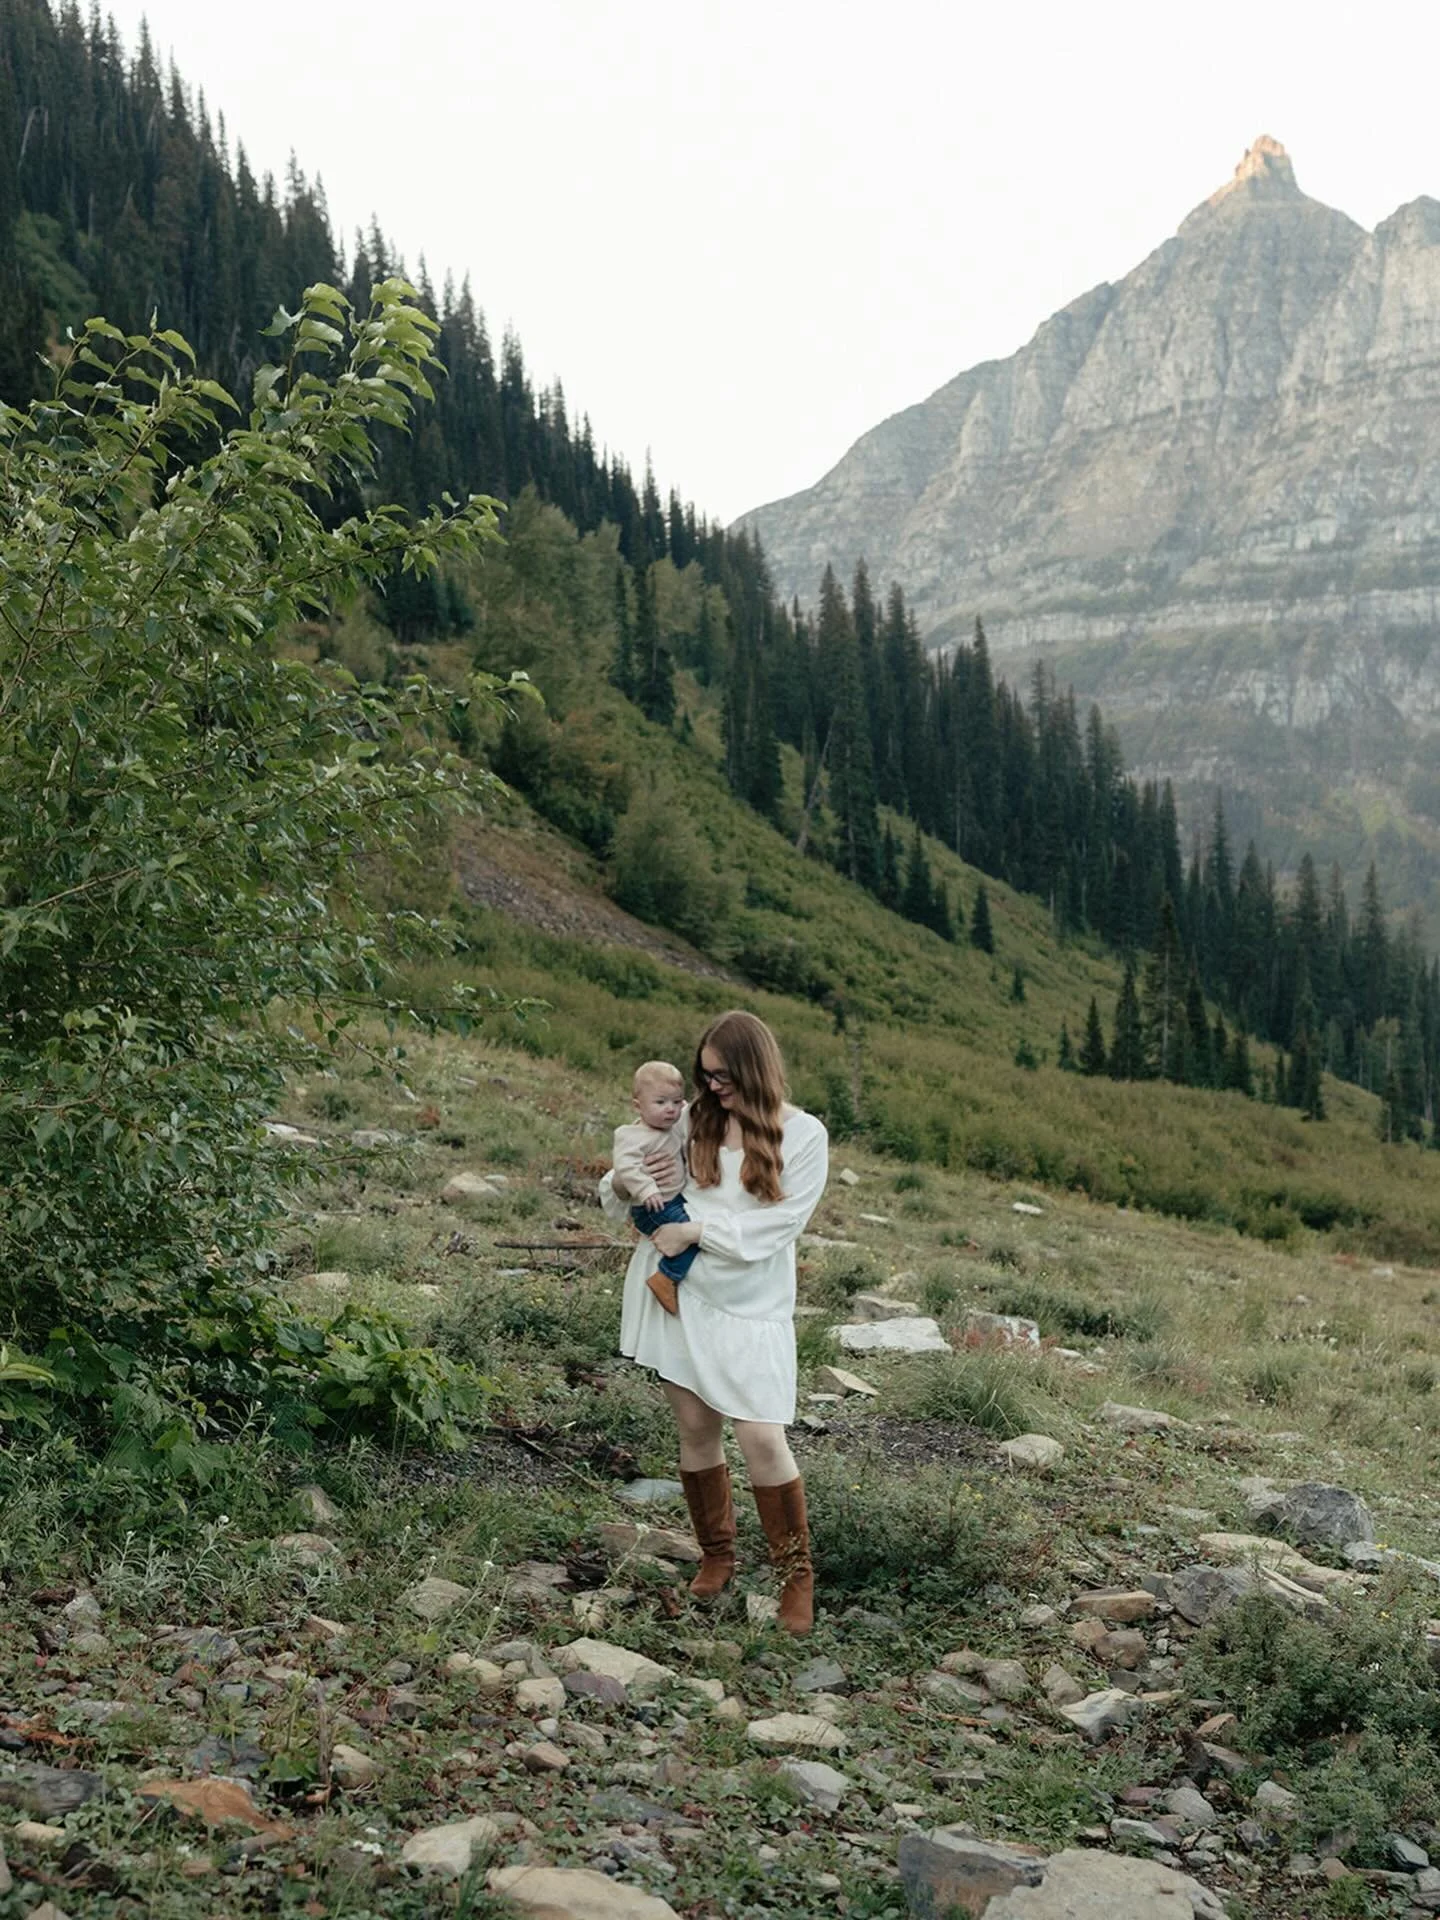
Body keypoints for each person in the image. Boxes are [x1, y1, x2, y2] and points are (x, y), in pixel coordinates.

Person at [599, 1010, 829, 1634]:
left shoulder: (802, 1134)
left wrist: (696, 1227)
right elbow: (617, 1177)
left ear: (756, 1067)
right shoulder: (693, 1119)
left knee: (761, 1437)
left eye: (722, 1075)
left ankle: (794, 1578)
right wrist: (634, 1186)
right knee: (696, 1426)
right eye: (705, 1075)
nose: (713, 1087)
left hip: (751, 1301)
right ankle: (717, 1556)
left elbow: (781, 1225)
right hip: (680, 1291)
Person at [610, 1059, 697, 1316]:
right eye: (660, 1103)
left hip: (670, 1199)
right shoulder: (632, 1135)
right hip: (653, 1205)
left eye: (677, 1102)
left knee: (695, 1228)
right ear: (638, 1106)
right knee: (692, 1237)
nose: (671, 1110)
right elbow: (626, 1167)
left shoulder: (669, 1128)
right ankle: (666, 1278)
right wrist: (647, 1188)